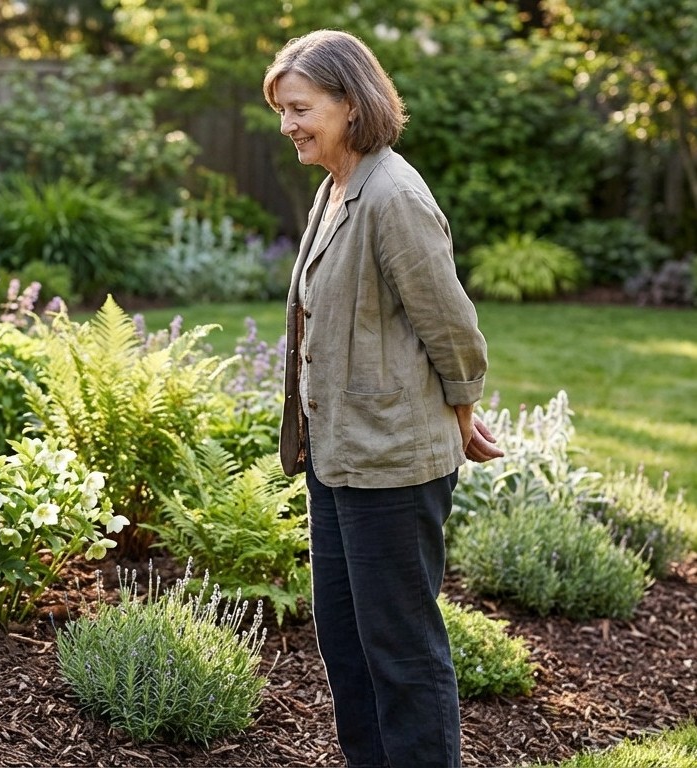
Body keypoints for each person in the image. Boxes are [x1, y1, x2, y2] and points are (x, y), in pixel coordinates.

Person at [264, 29, 505, 767]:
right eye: (281, 110)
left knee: (400, 650)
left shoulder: (392, 195)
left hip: (392, 465)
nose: (288, 126)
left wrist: (461, 414)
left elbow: (450, 324)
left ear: (348, 102)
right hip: (337, 457)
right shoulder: (336, 187)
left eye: (300, 108)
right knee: (346, 641)